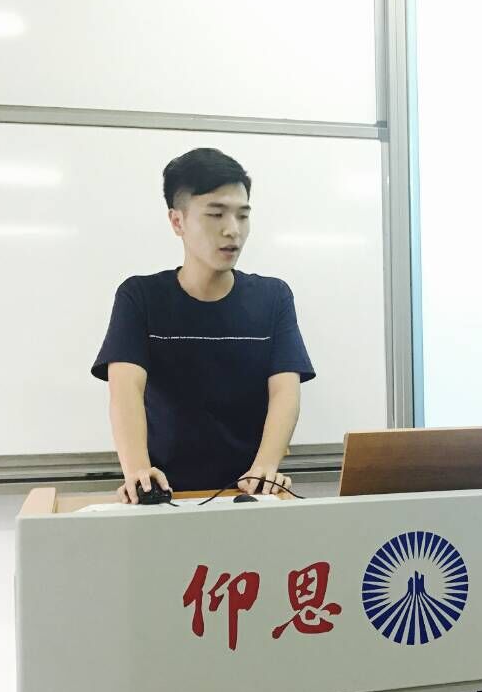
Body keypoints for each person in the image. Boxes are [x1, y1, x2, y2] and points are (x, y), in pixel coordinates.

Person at [91, 147, 315, 503]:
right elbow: (125, 388)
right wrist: (138, 472)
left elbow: (285, 391)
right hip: (166, 496)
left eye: (243, 216)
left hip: (249, 495)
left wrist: (265, 468)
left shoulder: (273, 298)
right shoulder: (140, 298)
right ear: (177, 221)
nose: (232, 230)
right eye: (216, 214)